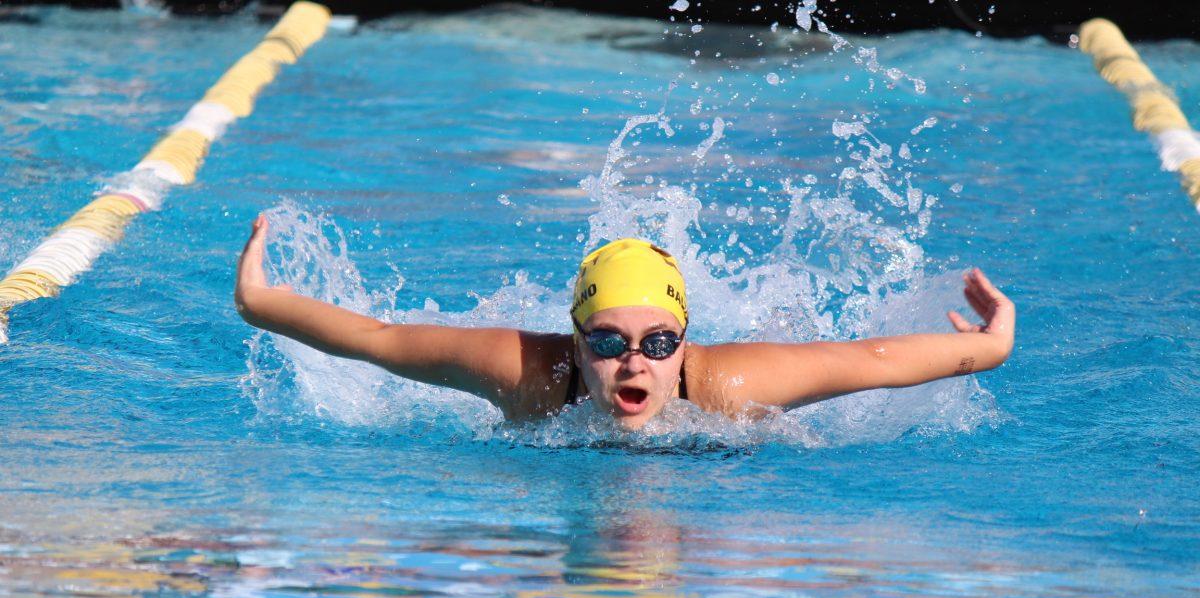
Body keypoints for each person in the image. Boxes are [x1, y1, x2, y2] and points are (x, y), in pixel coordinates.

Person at [234, 215, 1015, 429]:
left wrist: (991, 347)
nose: (633, 365)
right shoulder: (533, 377)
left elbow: (871, 360)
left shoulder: (727, 386)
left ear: (684, 346)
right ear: (576, 340)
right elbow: (379, 341)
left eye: (657, 345)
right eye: (607, 343)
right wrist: (259, 303)